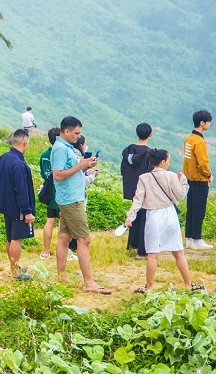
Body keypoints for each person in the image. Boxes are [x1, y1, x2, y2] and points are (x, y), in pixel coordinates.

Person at [125, 149, 204, 293]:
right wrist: (183, 182)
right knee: (178, 252)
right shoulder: (171, 176)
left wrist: (130, 217)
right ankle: (188, 284)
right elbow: (180, 196)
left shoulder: (144, 178)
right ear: (162, 162)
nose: (169, 163)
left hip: (153, 216)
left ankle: (149, 286)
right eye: (168, 160)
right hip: (169, 215)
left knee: (152, 255)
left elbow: (137, 200)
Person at [51, 116, 108, 294]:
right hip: (72, 200)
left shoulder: (66, 147)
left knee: (64, 238)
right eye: (76, 133)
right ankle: (89, 282)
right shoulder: (61, 149)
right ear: (66, 131)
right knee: (84, 239)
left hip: (68, 197)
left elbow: (70, 172)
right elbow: (58, 175)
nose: (78, 137)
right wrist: (80, 165)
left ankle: (62, 276)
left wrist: (85, 166)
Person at [0, 129, 36, 281]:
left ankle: (14, 267)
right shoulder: (18, 163)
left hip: (7, 205)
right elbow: (21, 189)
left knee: (10, 238)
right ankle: (15, 273)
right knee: (17, 239)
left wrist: (2, 195)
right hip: (18, 208)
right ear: (25, 142)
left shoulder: (3, 158)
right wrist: (27, 211)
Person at [121, 122, 154, 260]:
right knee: (143, 218)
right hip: (144, 189)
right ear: (150, 135)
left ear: (136, 134)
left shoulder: (127, 150)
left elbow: (123, 169)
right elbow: (151, 173)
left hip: (130, 186)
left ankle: (131, 245)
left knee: (134, 215)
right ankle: (142, 248)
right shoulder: (150, 153)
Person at [183, 109, 214, 250]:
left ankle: (189, 238)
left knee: (191, 209)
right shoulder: (199, 141)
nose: (209, 124)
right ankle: (197, 239)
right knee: (199, 210)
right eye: (208, 122)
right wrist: (208, 175)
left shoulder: (188, 138)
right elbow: (203, 163)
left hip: (190, 179)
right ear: (202, 123)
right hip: (200, 180)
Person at [38, 127, 62, 260]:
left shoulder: (44, 156)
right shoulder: (60, 153)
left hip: (49, 192)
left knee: (50, 221)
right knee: (62, 222)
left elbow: (43, 173)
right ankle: (61, 249)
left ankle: (46, 251)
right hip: (61, 192)